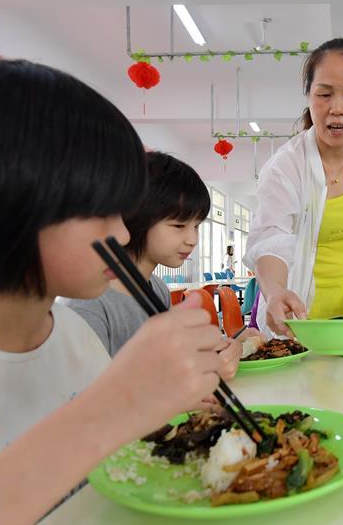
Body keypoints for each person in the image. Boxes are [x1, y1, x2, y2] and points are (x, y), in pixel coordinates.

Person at [0, 57, 234, 525]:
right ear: (5, 201)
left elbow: (112, 481)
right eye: (101, 210)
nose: (120, 233)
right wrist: (114, 407)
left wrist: (169, 401)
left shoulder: (72, 339)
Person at [243, 38, 343, 338]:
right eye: (324, 94)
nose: (337, 109)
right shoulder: (286, 166)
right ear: (308, 95)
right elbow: (271, 239)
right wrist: (276, 292)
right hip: (292, 319)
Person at [64, 151, 240, 369]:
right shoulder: (90, 304)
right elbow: (86, 397)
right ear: (137, 218)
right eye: (179, 226)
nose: (193, 239)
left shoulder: (157, 289)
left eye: (196, 226)